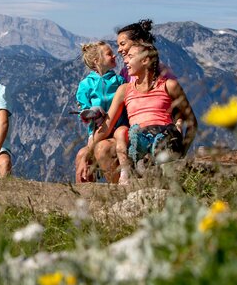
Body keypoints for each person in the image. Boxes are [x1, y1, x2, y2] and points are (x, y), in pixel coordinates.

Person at [92, 41, 197, 184]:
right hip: (137, 142)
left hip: (164, 138)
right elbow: (107, 125)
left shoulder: (169, 86)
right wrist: (87, 151)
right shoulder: (124, 90)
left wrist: (182, 152)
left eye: (130, 56)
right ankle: (121, 191)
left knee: (162, 139)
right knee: (102, 148)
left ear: (145, 60)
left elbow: (191, 122)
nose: (125, 60)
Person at [73, 41, 124, 182]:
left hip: (118, 129)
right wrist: (91, 114)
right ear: (97, 61)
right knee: (81, 155)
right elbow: (84, 112)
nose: (114, 55)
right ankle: (85, 197)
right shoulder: (85, 85)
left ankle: (115, 191)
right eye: (109, 54)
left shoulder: (119, 80)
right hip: (96, 132)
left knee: (91, 153)